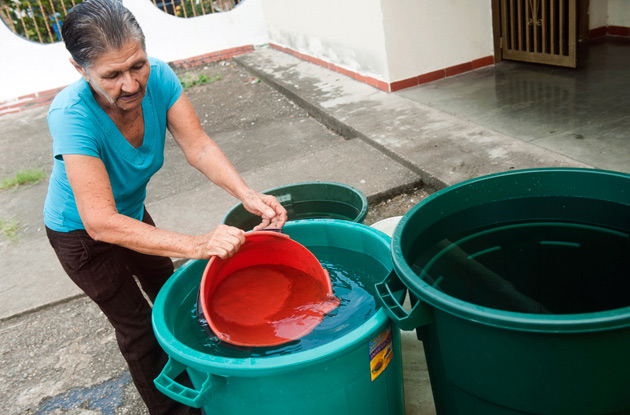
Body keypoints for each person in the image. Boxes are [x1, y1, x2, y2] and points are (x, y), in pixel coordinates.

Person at [43, 0, 287, 414]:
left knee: (171, 293)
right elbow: (100, 222)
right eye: (112, 75)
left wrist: (246, 194)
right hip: (81, 235)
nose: (131, 84)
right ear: (79, 69)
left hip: (133, 215)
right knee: (137, 327)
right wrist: (197, 243)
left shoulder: (160, 78)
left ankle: (208, 377)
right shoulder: (71, 114)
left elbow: (199, 146)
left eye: (136, 65)